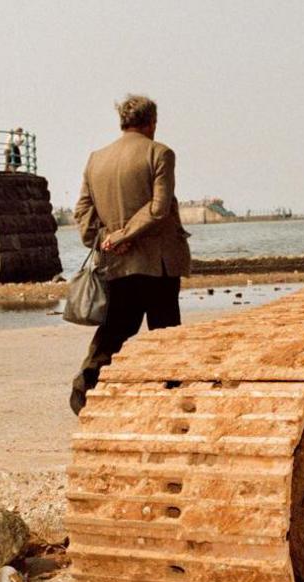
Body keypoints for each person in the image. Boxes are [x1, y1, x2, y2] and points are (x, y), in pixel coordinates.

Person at [69, 94, 191, 414]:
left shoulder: (97, 158)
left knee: (114, 329)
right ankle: (170, 394)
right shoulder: (159, 153)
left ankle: (85, 386)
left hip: (115, 263)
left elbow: (82, 210)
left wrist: (105, 240)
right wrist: (124, 235)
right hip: (157, 261)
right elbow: (158, 209)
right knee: (165, 330)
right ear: (151, 122)